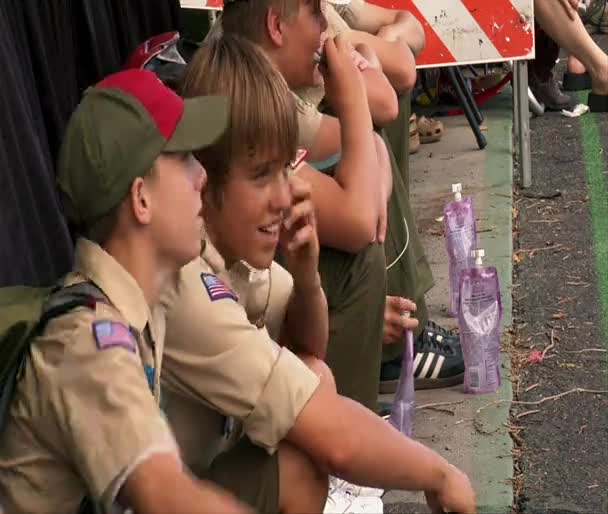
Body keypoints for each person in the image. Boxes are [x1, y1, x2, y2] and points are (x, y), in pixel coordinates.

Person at [161, 33, 477, 514]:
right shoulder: (185, 280)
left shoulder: (224, 248)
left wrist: (307, 278)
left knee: (313, 376)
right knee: (303, 461)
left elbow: (309, 354)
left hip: (185, 476)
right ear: (204, 181)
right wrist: (438, 473)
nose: (285, 196)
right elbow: (336, 440)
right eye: (261, 175)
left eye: (285, 169)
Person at [0, 69, 250, 514]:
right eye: (186, 158)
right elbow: (164, 496)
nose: (202, 177)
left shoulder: (142, 300)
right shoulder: (87, 344)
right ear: (141, 200)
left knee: (280, 467)